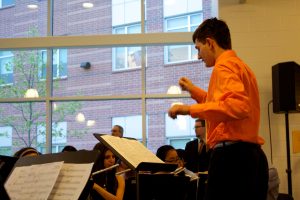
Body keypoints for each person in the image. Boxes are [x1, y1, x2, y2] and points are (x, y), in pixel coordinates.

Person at [168, 17, 269, 200]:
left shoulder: (223, 67)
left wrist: (188, 109)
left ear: (210, 43)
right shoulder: (242, 66)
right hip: (250, 156)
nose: (198, 56)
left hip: (233, 159)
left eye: (198, 49)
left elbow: (237, 107)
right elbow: (221, 104)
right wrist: (193, 90)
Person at [185, 119, 210, 200]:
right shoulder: (190, 145)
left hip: (207, 181)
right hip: (192, 181)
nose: (195, 129)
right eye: (194, 127)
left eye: (197, 127)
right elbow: (187, 162)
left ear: (205, 127)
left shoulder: (212, 143)